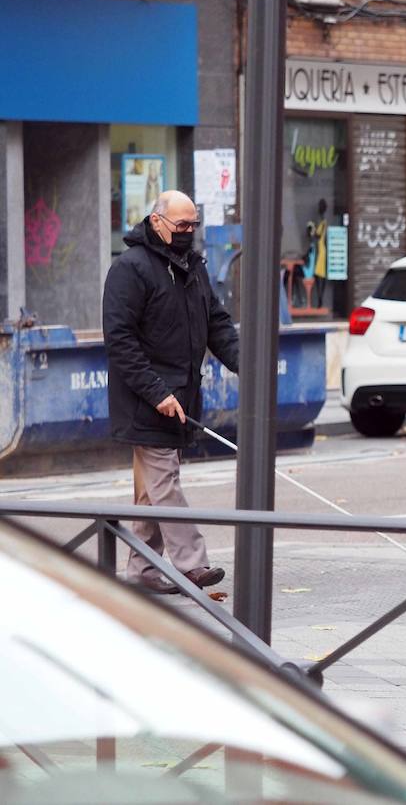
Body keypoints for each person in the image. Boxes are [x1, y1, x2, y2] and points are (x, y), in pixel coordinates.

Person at [102, 190, 239, 594]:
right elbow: (120, 340)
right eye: (182, 225)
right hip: (147, 402)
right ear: (157, 222)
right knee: (165, 482)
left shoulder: (191, 268)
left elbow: (216, 322)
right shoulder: (130, 269)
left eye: (193, 225)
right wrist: (157, 392)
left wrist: (245, 364)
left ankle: (142, 573)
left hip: (182, 398)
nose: (189, 232)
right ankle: (193, 564)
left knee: (151, 492)